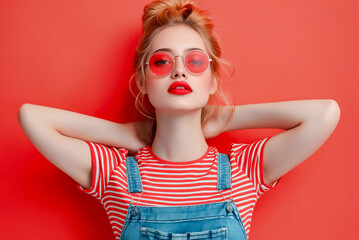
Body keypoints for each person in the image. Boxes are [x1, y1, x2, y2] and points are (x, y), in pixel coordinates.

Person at [17, 0, 340, 239]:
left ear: (213, 80)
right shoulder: (114, 173)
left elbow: (325, 114)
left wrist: (222, 118)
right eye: (161, 61)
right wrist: (125, 134)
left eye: (196, 61)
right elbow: (32, 117)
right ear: (142, 81)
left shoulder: (244, 171)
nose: (179, 70)